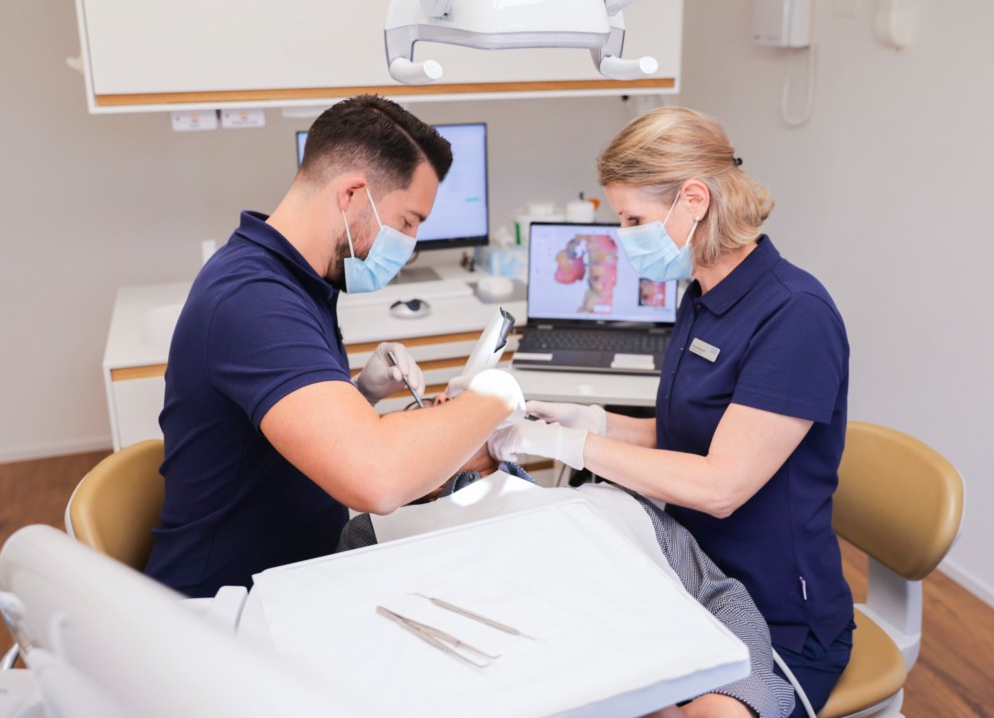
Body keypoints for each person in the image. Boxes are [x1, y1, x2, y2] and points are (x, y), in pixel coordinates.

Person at [489, 106, 852, 716]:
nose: (623, 234)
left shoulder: (795, 316)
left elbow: (719, 485)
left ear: (694, 200)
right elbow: (690, 433)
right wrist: (591, 421)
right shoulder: (703, 295)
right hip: (691, 572)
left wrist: (571, 449)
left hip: (777, 613)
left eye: (633, 218)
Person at [144, 95, 526, 598]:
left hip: (296, 571)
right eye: (408, 222)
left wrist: (360, 393)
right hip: (227, 605)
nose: (409, 244)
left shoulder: (296, 277)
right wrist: (497, 394)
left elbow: (280, 428)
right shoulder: (253, 300)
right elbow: (378, 479)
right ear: (352, 195)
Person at [337, 420, 795, 718]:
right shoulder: (377, 533)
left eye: (460, 406)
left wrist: (733, 700)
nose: (446, 410)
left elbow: (719, 598)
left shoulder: (611, 500)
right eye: (429, 414)